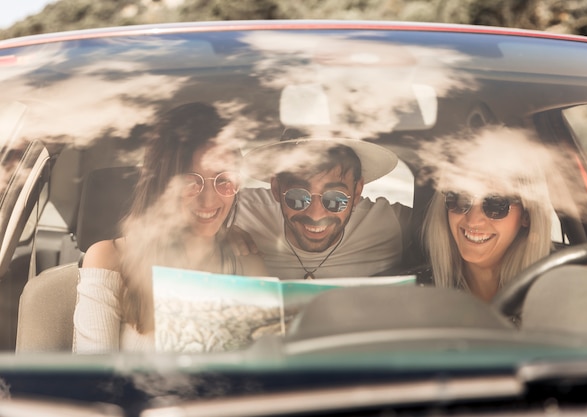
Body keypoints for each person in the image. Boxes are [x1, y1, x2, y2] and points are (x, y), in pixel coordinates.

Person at [73, 102, 267, 353]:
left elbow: (266, 370)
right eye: (189, 181)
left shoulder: (246, 261)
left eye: (224, 181)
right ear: (161, 184)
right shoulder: (110, 258)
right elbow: (92, 380)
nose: (209, 200)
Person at [234, 137, 413, 280]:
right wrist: (220, 233)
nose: (316, 214)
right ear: (276, 189)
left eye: (335, 199)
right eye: (297, 197)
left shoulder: (392, 222)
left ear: (357, 192)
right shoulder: (238, 213)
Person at [420, 127, 554, 303]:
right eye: (459, 198)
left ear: (526, 215)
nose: (473, 220)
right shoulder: (419, 294)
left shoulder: (553, 298)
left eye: (495, 204)